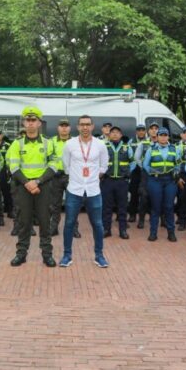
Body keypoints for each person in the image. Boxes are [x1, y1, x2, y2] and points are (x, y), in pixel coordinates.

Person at [6, 106, 57, 267]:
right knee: (23, 221)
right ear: (23, 122)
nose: (30, 123)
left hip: (43, 186)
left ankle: (47, 254)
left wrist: (38, 182)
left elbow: (54, 165)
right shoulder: (17, 144)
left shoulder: (49, 143)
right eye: (27, 120)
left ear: (39, 123)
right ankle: (21, 254)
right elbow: (13, 167)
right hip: (23, 186)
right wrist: (28, 183)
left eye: (33, 120)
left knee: (44, 221)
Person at [59, 115, 110, 268]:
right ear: (78, 127)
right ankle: (67, 255)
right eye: (82, 125)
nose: (85, 127)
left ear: (93, 126)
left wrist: (92, 178)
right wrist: (78, 177)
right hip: (74, 190)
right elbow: (66, 166)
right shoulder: (69, 144)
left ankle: (99, 255)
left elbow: (103, 167)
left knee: (98, 224)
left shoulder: (100, 145)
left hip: (94, 191)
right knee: (69, 223)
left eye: (88, 124)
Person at [143, 127, 180, 242]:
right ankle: (153, 233)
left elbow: (178, 164)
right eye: (161, 135)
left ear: (168, 137)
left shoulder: (175, 149)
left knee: (169, 207)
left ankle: (171, 233)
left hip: (170, 181)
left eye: (165, 135)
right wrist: (151, 171)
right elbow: (145, 164)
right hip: (155, 180)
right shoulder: (151, 149)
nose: (163, 137)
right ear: (157, 137)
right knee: (155, 207)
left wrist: (176, 173)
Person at [101, 125, 134, 239]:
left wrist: (128, 173)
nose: (115, 134)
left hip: (122, 181)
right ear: (109, 135)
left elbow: (133, 161)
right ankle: (106, 229)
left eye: (117, 132)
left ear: (121, 135)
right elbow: (98, 161)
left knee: (122, 207)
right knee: (106, 207)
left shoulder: (126, 147)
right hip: (107, 180)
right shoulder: (104, 146)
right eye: (113, 132)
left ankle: (123, 230)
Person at [49, 118, 72, 237]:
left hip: (71, 177)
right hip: (55, 177)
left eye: (66, 126)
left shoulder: (75, 141)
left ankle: (73, 228)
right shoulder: (51, 142)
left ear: (70, 128)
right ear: (58, 128)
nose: (64, 128)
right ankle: (54, 228)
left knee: (72, 204)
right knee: (55, 204)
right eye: (62, 126)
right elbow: (46, 158)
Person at [127, 124, 148, 223]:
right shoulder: (131, 142)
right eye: (139, 130)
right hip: (135, 170)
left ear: (145, 131)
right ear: (136, 131)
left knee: (145, 194)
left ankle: (143, 216)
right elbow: (129, 156)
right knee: (134, 194)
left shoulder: (149, 141)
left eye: (142, 130)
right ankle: (132, 215)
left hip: (146, 170)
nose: (141, 132)